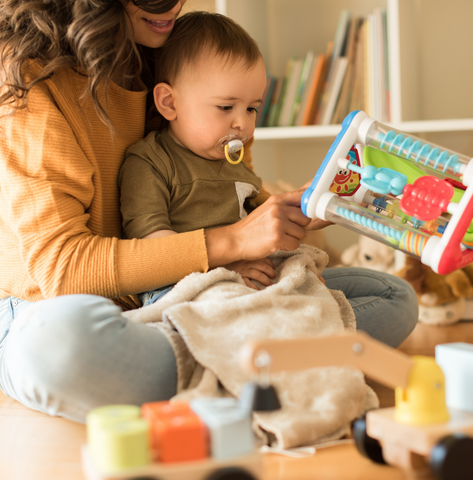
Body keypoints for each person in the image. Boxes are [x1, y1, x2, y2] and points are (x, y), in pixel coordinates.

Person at [0, 0, 418, 424]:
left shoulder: (185, 57)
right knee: (58, 345)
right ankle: (270, 358)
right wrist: (234, 243)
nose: (174, 6)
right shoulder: (32, 82)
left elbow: (242, 204)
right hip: (60, 305)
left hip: (214, 293)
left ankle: (229, 363)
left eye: (251, 109)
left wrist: (308, 209)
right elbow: (64, 272)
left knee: (394, 297)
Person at [119, 11, 278, 300]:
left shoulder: (234, 160)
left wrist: (306, 211)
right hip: (183, 287)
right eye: (226, 107)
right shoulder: (151, 161)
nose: (242, 123)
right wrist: (228, 264)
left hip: (244, 281)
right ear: (169, 103)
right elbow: (151, 244)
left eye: (252, 108)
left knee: (385, 291)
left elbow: (267, 219)